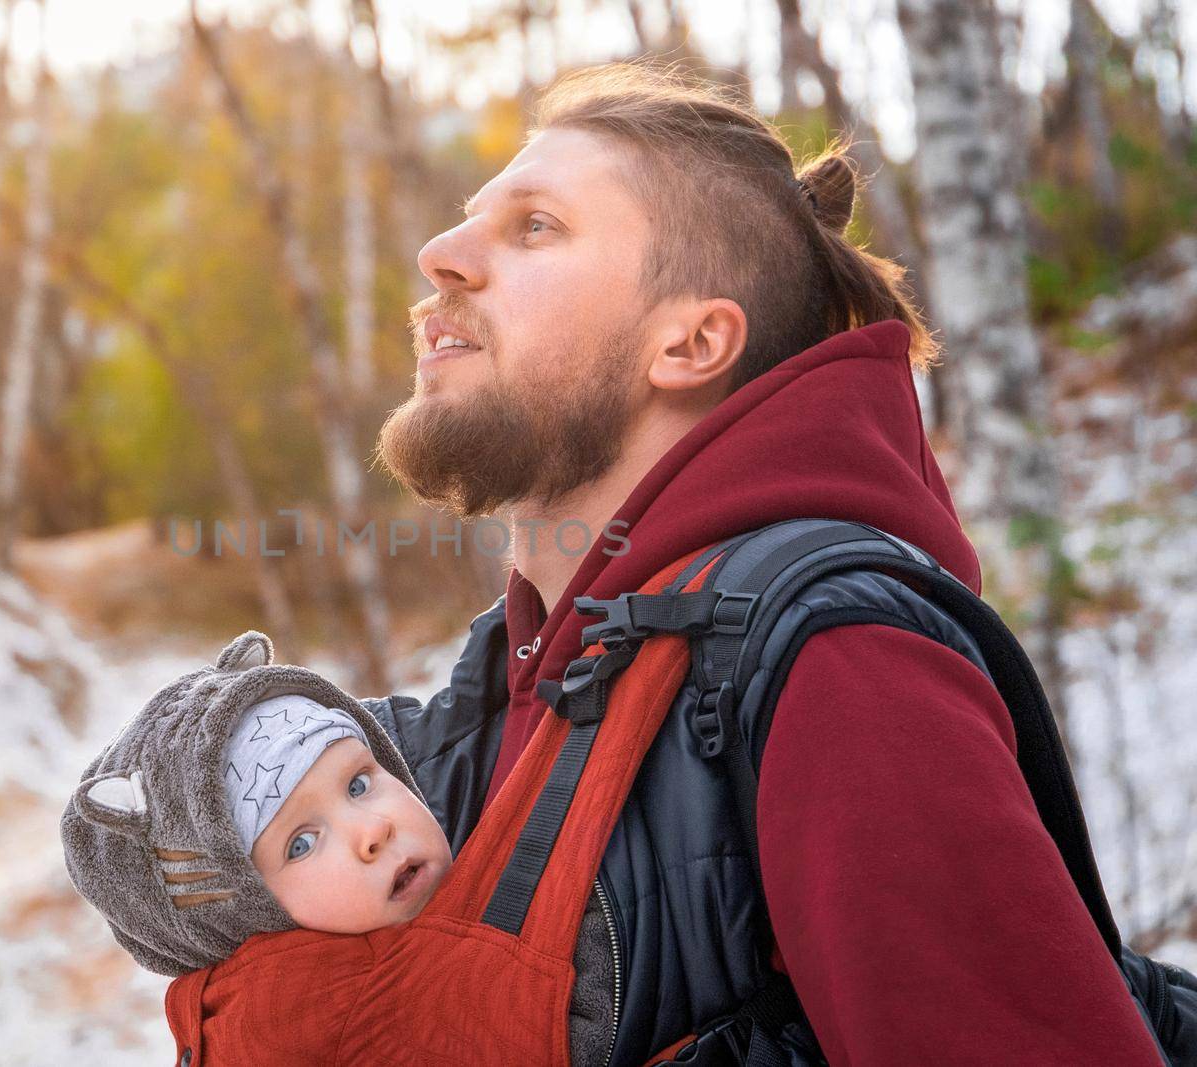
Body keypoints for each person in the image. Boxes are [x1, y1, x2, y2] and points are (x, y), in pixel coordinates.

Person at [361, 61, 1169, 1064]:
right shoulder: (519, 673)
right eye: (467, 219)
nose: (441, 254)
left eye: (534, 227)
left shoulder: (840, 665)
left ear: (691, 342)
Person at [59, 631, 620, 1065]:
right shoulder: (316, 1009)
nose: (371, 831)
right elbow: (565, 1040)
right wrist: (588, 902)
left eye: (358, 784)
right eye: (301, 844)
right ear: (241, 909)